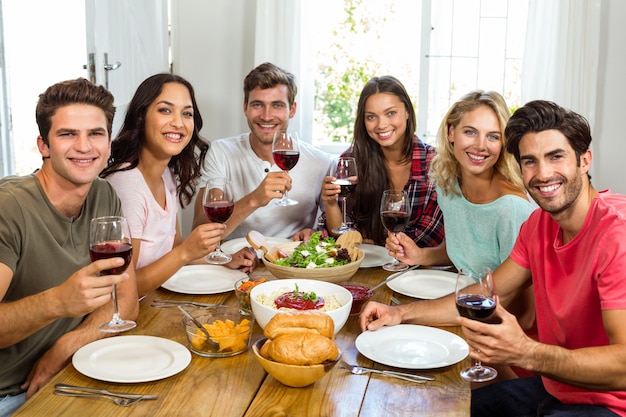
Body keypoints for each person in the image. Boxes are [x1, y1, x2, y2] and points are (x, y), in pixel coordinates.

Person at [360, 100, 626, 416]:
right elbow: (485, 293)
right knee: (435, 408)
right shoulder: (538, 225)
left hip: (607, 405)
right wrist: (401, 314)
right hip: (553, 386)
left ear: (584, 160)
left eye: (556, 157)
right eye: (530, 161)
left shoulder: (616, 234)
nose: (542, 173)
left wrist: (527, 352)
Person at [0, 78, 139, 416]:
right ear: (43, 145)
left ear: (108, 144)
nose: (84, 146)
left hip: (70, 371)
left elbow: (126, 300)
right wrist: (58, 302)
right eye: (67, 134)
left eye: (95, 133)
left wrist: (64, 346)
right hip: (10, 396)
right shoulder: (9, 207)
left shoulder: (103, 194)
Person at [101, 73, 257, 297]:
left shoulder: (166, 175)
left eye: (187, 113)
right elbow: (120, 290)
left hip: (155, 302)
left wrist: (225, 261)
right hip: (132, 314)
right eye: (165, 110)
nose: (178, 122)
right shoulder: (127, 187)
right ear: (141, 116)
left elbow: (175, 248)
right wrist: (185, 252)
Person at [192, 62, 333, 241]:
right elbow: (199, 231)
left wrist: (317, 234)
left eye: (277, 105)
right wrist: (254, 200)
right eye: (258, 105)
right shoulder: (221, 153)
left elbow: (333, 228)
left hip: (291, 263)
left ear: (292, 110)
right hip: (233, 263)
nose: (266, 116)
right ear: (245, 108)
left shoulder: (321, 162)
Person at [320, 75, 444, 247]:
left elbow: (429, 237)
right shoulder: (352, 160)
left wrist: (365, 239)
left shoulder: (435, 164)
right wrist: (330, 203)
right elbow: (340, 235)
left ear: (407, 111)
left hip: (417, 271)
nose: (381, 125)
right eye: (371, 117)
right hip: (363, 268)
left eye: (390, 113)